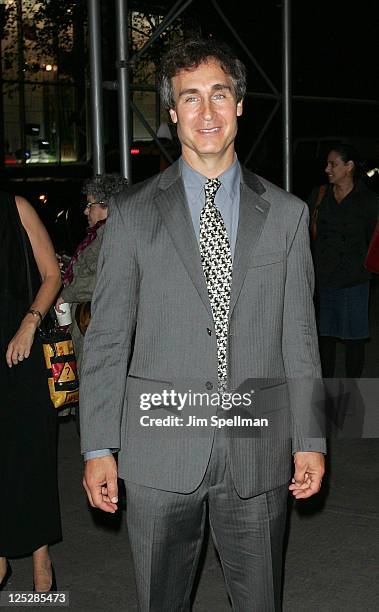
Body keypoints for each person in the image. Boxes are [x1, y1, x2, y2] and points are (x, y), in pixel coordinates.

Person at [80, 38, 325, 611]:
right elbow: (108, 339)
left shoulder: (287, 215)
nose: (207, 112)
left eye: (219, 94)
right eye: (191, 98)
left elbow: (301, 339)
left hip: (258, 448)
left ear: (240, 104)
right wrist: (98, 446)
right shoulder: (134, 216)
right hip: (159, 452)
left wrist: (310, 439)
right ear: (172, 114)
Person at [0, 192, 62, 591]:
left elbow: (52, 274)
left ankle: (41, 556)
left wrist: (29, 323)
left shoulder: (15, 207)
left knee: (31, 453)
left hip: (20, 348)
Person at [308, 143, 379, 378]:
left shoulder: (368, 200)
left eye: (333, 164)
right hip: (325, 278)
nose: (327, 169)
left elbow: (373, 240)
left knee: (354, 339)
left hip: (354, 279)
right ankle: (326, 387)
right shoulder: (320, 195)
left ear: (349, 167)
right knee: (325, 338)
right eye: (327, 164)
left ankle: (352, 390)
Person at [55, 174, 128, 376]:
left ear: (106, 205)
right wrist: (67, 265)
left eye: (90, 205)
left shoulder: (113, 235)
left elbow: (107, 276)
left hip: (98, 332)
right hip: (91, 329)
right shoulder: (101, 234)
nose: (86, 211)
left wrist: (67, 294)